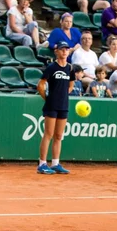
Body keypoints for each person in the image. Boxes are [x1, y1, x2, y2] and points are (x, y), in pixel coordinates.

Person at [36, 41, 76, 174]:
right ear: (56, 52)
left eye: (66, 49)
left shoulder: (70, 68)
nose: (64, 51)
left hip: (64, 105)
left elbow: (71, 85)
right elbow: (40, 85)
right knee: (48, 134)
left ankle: (55, 163)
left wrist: (63, 94)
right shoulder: (51, 67)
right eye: (62, 49)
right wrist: (47, 98)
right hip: (52, 105)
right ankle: (42, 164)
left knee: (58, 136)